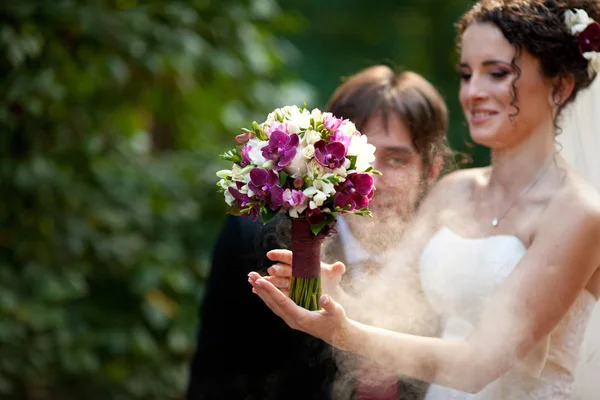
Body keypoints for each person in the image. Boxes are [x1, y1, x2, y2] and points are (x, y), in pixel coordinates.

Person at [250, 0, 600, 399]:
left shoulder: (579, 214)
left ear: (560, 86)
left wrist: (345, 332)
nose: (473, 92)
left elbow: (478, 366)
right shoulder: (455, 191)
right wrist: (332, 296)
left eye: (497, 73)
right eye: (467, 74)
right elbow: (391, 318)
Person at [187, 65, 450, 400]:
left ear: (432, 170)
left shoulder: (450, 256)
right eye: (358, 159)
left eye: (396, 160)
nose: (375, 179)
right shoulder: (254, 241)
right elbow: (217, 374)